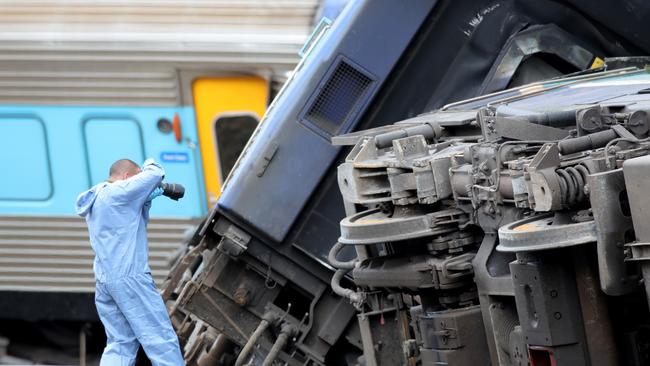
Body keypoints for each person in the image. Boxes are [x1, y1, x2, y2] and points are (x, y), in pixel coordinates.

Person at [75, 158, 184, 366]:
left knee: (120, 342)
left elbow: (127, 214)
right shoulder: (118, 192)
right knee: (160, 338)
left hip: (105, 281)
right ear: (126, 178)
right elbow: (154, 174)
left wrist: (151, 195)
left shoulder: (98, 196)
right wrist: (149, 163)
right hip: (131, 278)